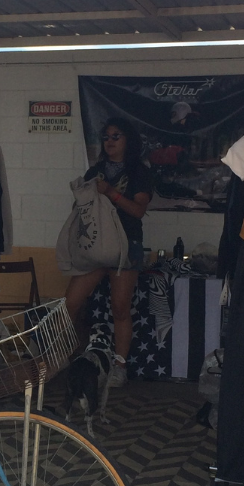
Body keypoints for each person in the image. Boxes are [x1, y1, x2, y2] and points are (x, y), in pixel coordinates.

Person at [64, 120, 153, 386]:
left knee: (120, 308)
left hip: (127, 246)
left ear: (129, 140)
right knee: (70, 304)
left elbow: (138, 211)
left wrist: (111, 193)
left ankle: (119, 366)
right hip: (95, 244)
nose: (110, 141)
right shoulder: (96, 170)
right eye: (105, 137)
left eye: (116, 136)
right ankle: (68, 355)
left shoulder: (139, 171)